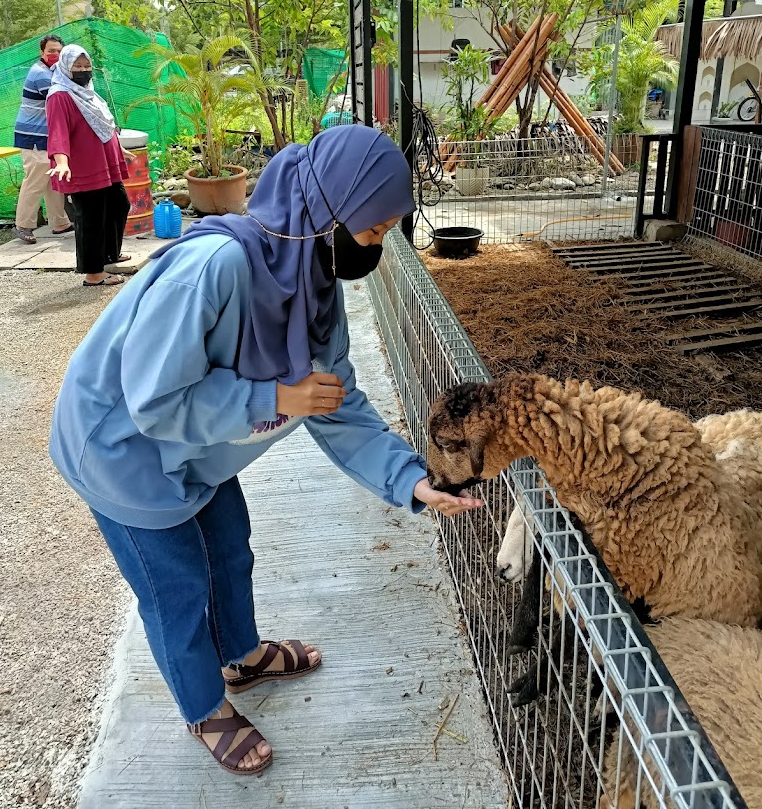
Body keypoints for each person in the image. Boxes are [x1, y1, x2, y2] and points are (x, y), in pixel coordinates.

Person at [49, 125, 483, 777]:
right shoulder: (214, 269)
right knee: (176, 592)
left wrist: (412, 481)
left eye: (386, 232)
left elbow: (333, 398)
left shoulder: (315, 281)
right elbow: (154, 402)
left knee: (229, 549)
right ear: (327, 212)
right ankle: (204, 708)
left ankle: (242, 657)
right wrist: (277, 397)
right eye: (372, 231)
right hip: (122, 453)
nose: (375, 247)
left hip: (201, 448)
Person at [47, 44, 131, 287]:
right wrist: (61, 162)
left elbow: (102, 125)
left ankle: (109, 254)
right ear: (65, 67)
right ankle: (93, 273)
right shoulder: (60, 96)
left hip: (105, 162)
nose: (84, 71)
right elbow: (58, 132)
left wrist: (118, 148)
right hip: (84, 166)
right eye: (78, 66)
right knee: (91, 217)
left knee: (118, 204)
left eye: (87, 66)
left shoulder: (88, 93)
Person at [13, 34, 74, 244]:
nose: (55, 54)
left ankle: (60, 222)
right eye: (51, 51)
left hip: (45, 134)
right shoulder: (41, 74)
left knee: (52, 177)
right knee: (36, 179)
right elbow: (63, 100)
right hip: (33, 135)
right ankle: (23, 224)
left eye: (59, 51)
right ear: (42, 53)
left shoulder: (52, 71)